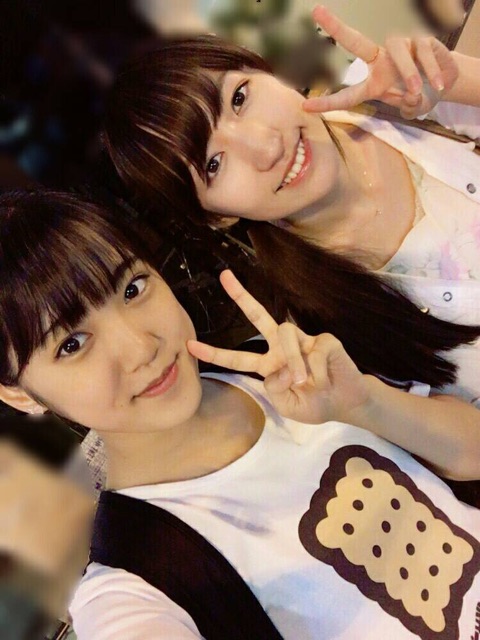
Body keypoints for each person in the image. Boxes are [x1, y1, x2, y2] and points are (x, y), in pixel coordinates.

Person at [0, 189, 478, 640]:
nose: (142, 348)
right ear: (20, 395)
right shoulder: (138, 578)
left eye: (132, 289)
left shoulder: (278, 367)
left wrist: (367, 404)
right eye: (72, 344)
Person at [103, 5, 480, 479]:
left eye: (239, 98)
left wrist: (457, 82)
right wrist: (364, 405)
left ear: (265, 68)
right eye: (214, 165)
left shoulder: (389, 96)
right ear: (217, 217)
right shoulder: (319, 326)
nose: (266, 147)